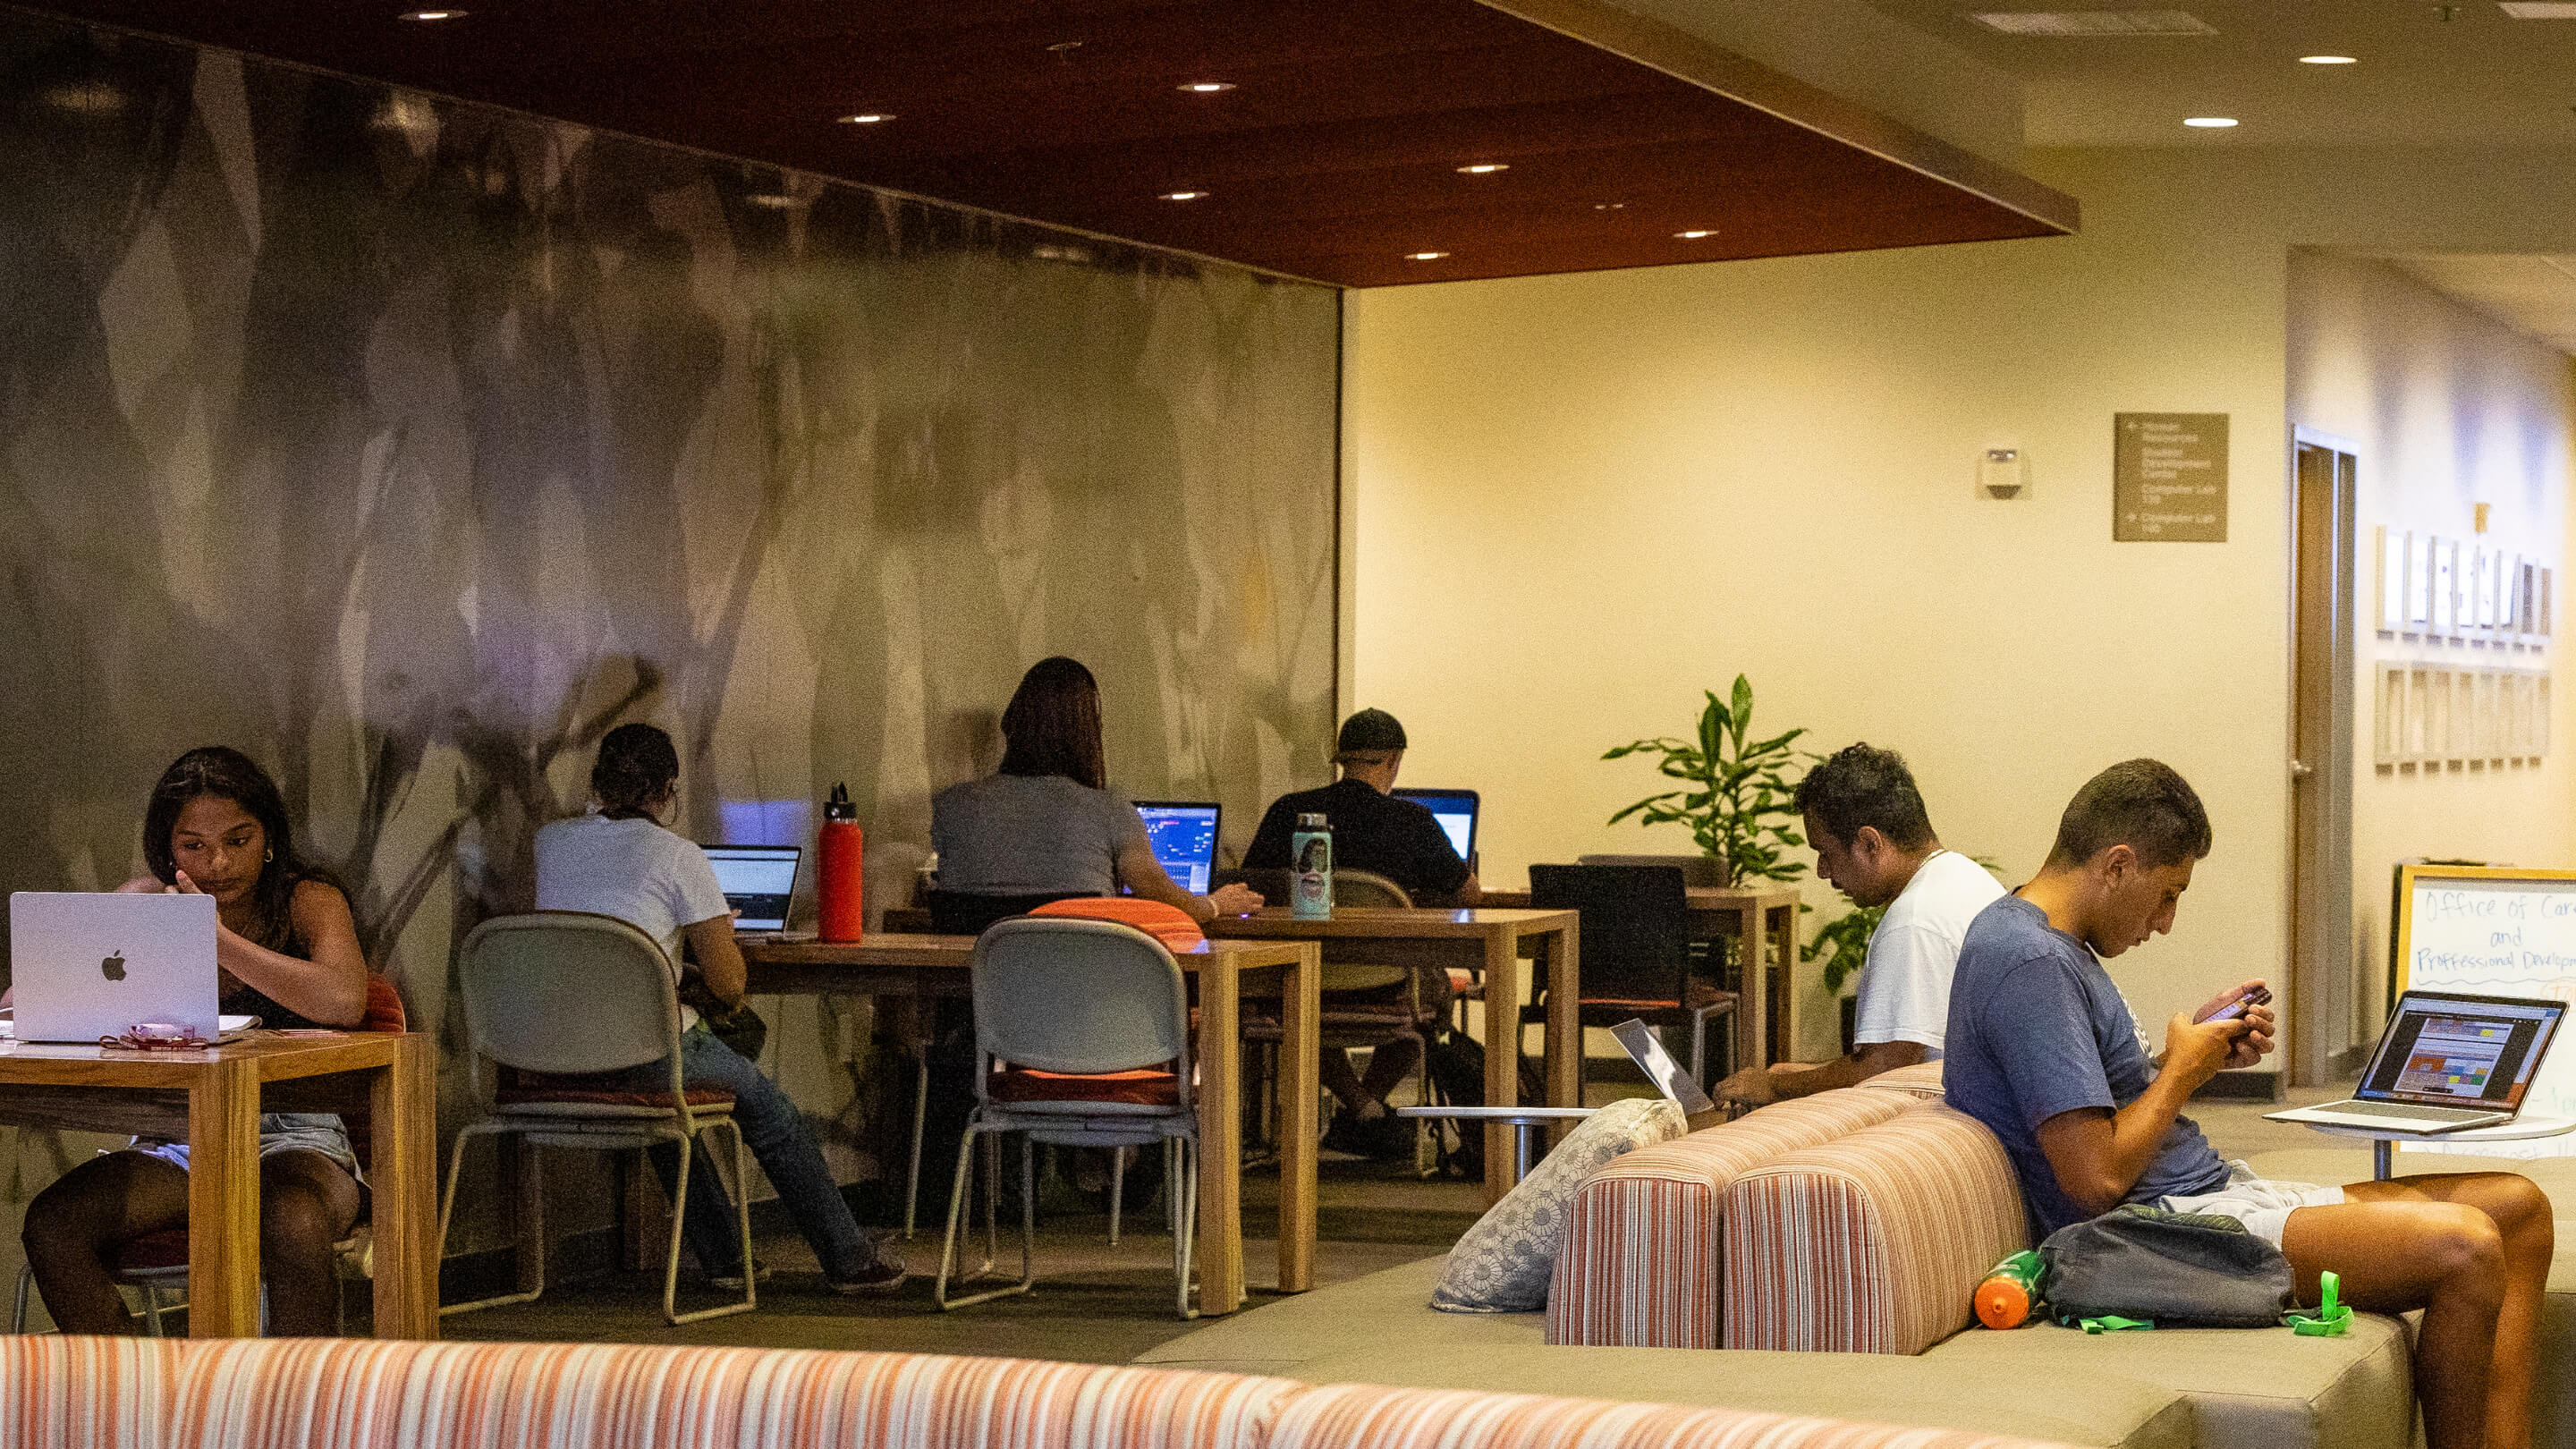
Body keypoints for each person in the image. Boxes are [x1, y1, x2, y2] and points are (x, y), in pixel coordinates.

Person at [1945, 759, 2549, 1449]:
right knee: (2465, 1245)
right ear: (2117, 865)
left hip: (2207, 1198)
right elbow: (2093, 1181)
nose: (2165, 922)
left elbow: (2099, 1112)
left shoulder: (2046, 946)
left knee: (2518, 1209)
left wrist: (2187, 1058)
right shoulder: (2031, 962)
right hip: (2155, 1235)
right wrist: (2183, 1073)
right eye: (2167, 893)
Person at [534, 723, 903, 1294]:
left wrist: (667, 974)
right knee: (768, 1110)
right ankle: (849, 1259)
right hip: (648, 1056)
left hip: (555, 1054)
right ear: (667, 791)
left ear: (600, 783)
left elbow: (591, 941)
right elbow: (730, 985)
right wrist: (697, 975)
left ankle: (727, 1258)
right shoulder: (678, 856)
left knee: (675, 1113)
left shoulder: (551, 842)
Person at [19, 746, 370, 1335]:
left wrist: (214, 939)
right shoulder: (144, 902)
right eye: (194, 846)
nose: (218, 863)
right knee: (54, 1225)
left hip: (296, 1138)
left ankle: (296, 1417)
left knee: (294, 1221)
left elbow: (345, 1000)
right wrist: (35, 993)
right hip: (179, 1138)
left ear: (269, 838)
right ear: (167, 847)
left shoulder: (307, 900)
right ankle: (145, 1403)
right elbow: (59, 988)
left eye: (239, 840)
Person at [1716, 742, 2000, 1107]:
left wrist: (1774, 1088)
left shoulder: (1913, 921)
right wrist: (1797, 1075)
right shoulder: (1964, 877)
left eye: (1825, 853)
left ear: (1869, 843)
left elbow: (1885, 1070)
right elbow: (1901, 1052)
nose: (1822, 871)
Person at [1243, 708, 1476, 1156]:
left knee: (1306, 1014)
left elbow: (1253, 886)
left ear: (1342, 758)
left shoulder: (1288, 812)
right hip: (1390, 988)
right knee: (1435, 995)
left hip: (1296, 981)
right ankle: (1364, 1110)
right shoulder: (1413, 821)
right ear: (1392, 760)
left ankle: (1359, 1109)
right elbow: (1469, 894)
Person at [928, 657, 1264, 932]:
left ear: (1011, 725)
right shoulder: (1109, 811)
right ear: (1089, 733)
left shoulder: (951, 806)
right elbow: (1164, 898)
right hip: (1084, 1002)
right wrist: (1215, 904)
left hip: (978, 1003)